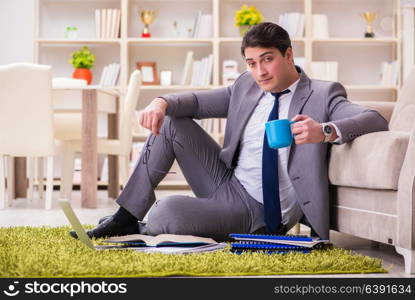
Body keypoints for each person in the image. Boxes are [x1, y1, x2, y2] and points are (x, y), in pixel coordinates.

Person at [70, 22, 388, 241]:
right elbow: (195, 102)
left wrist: (325, 131)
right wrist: (160, 101)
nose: (260, 71)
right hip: (227, 182)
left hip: (259, 211)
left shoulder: (322, 94)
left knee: (166, 212)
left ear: (288, 54)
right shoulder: (247, 86)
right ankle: (126, 216)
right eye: (251, 63)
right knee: (170, 121)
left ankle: (149, 224)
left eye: (268, 59)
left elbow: (373, 119)